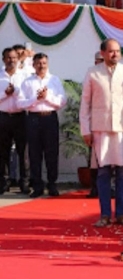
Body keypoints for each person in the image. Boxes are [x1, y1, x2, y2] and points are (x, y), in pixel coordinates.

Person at [80, 39, 123, 227]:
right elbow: (85, 103)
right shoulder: (93, 73)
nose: (115, 54)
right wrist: (85, 129)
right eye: (111, 51)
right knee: (103, 173)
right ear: (103, 53)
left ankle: (122, 214)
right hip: (101, 129)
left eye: (118, 51)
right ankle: (105, 214)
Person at [17, 53, 67, 198]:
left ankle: (52, 184)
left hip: (50, 118)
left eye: (44, 63)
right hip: (33, 119)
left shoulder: (54, 80)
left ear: (48, 64)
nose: (41, 66)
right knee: (34, 153)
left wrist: (47, 98)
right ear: (33, 65)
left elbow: (61, 101)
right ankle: (37, 185)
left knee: (52, 153)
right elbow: (20, 103)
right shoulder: (27, 82)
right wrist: (36, 99)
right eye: (38, 63)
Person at [0, 48, 29, 194]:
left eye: (14, 58)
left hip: (20, 117)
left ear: (18, 59)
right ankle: (4, 182)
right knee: (2, 151)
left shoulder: (24, 76)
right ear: (3, 59)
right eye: (8, 58)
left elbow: (28, 96)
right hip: (3, 117)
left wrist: (15, 91)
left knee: (23, 151)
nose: (11, 61)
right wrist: (5, 94)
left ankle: (24, 182)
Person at [86, 51, 105, 199]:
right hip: (94, 124)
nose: (99, 63)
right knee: (93, 160)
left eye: (101, 60)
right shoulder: (91, 77)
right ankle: (94, 188)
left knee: (109, 160)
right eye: (97, 61)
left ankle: (107, 188)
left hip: (109, 125)